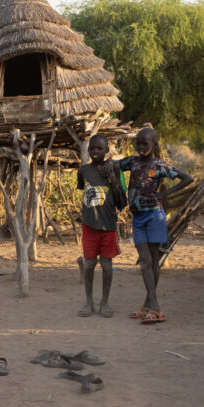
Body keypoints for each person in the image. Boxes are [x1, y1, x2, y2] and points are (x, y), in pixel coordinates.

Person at [119, 127, 192, 324]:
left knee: (151, 260)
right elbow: (115, 167)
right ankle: (151, 305)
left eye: (145, 144)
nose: (141, 147)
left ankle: (152, 306)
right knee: (145, 260)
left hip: (154, 216)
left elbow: (188, 178)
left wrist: (164, 194)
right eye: (138, 144)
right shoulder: (131, 161)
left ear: (154, 145)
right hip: (137, 218)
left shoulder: (159, 165)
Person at [75, 134, 127, 318]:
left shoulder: (114, 169)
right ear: (88, 150)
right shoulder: (83, 171)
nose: (95, 152)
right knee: (89, 264)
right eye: (92, 148)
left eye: (99, 148)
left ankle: (104, 302)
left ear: (106, 150)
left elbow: (122, 203)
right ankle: (89, 302)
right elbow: (84, 193)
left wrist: (113, 180)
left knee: (106, 265)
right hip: (89, 225)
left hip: (108, 225)